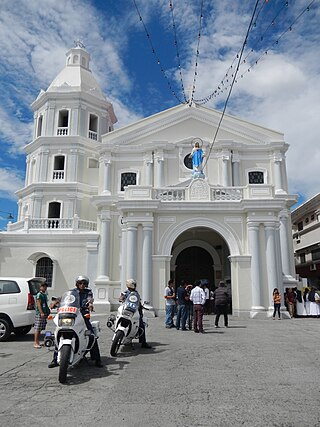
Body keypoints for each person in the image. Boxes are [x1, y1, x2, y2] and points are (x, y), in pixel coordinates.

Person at [48, 275, 103, 368]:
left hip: (83, 315)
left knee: (91, 335)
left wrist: (90, 304)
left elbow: (90, 299)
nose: (82, 285)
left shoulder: (88, 292)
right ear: (77, 284)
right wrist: (55, 302)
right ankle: (55, 359)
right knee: (59, 333)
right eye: (80, 283)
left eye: (84, 283)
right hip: (72, 315)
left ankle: (97, 359)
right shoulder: (72, 292)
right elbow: (62, 298)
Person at [119, 279, 151, 348]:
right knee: (118, 316)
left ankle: (143, 342)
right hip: (125, 310)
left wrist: (141, 306)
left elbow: (138, 301)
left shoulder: (136, 294)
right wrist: (121, 298)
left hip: (133, 311)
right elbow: (121, 298)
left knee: (141, 325)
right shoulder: (125, 293)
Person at [34, 281, 50, 348]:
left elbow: (45, 304)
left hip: (44, 312)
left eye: (45, 286)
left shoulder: (44, 295)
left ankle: (38, 342)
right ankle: (35, 342)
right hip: (40, 313)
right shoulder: (39, 295)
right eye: (43, 286)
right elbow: (39, 304)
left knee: (40, 328)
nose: (44, 288)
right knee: (37, 328)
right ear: (40, 287)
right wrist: (41, 312)